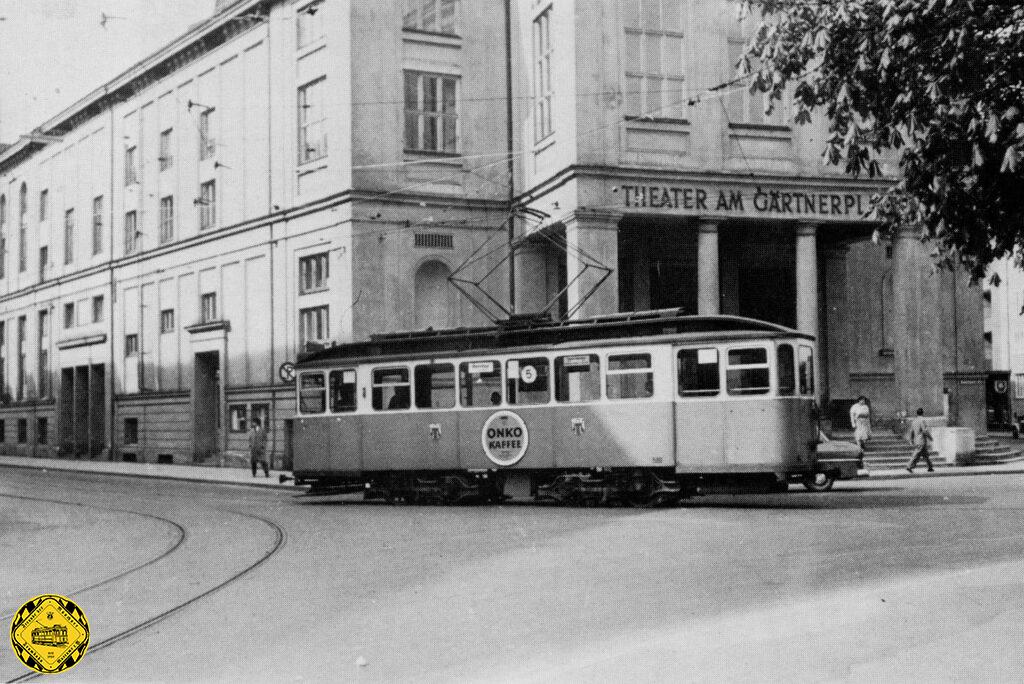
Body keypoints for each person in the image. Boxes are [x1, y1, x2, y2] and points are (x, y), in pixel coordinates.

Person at [905, 408, 934, 473]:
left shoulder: (914, 421)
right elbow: (924, 430)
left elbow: (911, 431)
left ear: (917, 413)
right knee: (917, 454)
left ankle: (930, 467)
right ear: (922, 413)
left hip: (917, 440)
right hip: (922, 440)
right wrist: (930, 437)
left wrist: (911, 439)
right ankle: (909, 466)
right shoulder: (922, 420)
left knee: (926, 455)